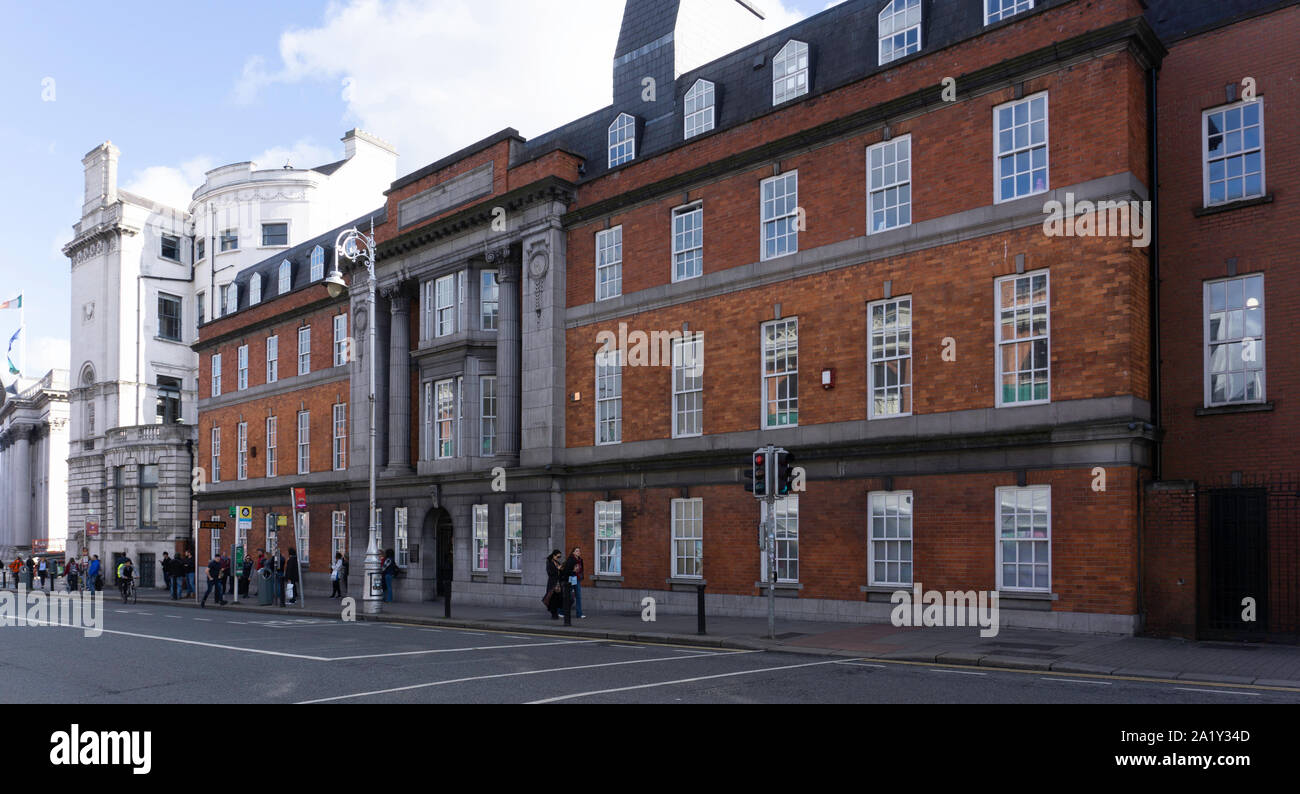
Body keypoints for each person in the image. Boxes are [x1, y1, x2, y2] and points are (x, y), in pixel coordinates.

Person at [561, 547, 586, 619]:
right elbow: (566, 571)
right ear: (573, 552)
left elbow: (581, 569)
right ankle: (562, 611)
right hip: (572, 578)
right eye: (577, 551)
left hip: (577, 579)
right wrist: (573, 571)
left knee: (578, 596)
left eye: (579, 551)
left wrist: (580, 575)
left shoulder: (580, 560)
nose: (578, 552)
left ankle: (579, 614)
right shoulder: (570, 560)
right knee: (569, 596)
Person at [543, 549, 565, 620]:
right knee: (552, 599)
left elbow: (560, 573)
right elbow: (550, 573)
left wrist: (561, 569)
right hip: (552, 583)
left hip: (558, 583)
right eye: (557, 556)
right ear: (554, 555)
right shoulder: (549, 562)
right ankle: (554, 614)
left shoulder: (557, 562)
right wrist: (557, 569)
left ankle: (556, 613)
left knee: (557, 599)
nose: (558, 558)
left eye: (559, 557)